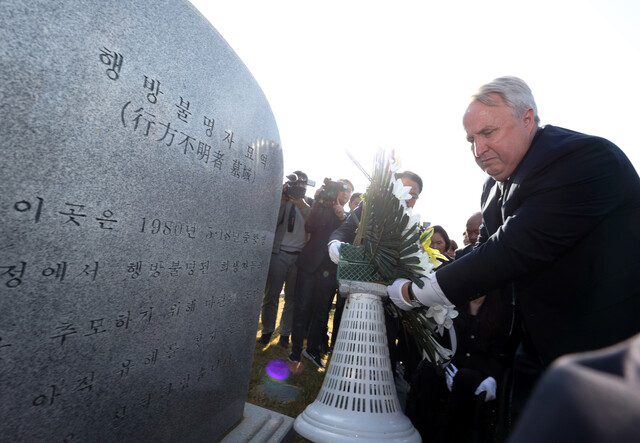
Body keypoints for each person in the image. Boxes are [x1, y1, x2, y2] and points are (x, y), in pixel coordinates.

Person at [388, 76, 640, 425]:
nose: (478, 150)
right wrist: (413, 267)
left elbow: (511, 250)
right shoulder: (493, 188)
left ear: (527, 119)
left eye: (488, 133)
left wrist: (414, 291)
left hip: (607, 358)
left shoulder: (584, 159)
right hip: (534, 355)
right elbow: (482, 254)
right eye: (471, 140)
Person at [288, 178, 353, 368]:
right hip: (309, 266)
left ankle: (313, 349)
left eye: (349, 190)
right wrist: (319, 204)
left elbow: (350, 235)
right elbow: (310, 227)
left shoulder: (349, 217)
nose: (345, 192)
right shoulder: (321, 205)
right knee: (302, 307)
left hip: (331, 270)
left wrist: (341, 217)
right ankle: (295, 350)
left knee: (321, 311)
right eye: (341, 188)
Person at [258, 171, 313, 347]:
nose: (300, 186)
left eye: (303, 183)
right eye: (297, 183)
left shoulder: (309, 203)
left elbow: (314, 223)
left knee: (292, 297)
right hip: (279, 253)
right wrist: (281, 200)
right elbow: (271, 221)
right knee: (271, 295)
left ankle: (284, 334)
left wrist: (302, 204)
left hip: (299, 257)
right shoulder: (280, 199)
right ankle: (267, 330)